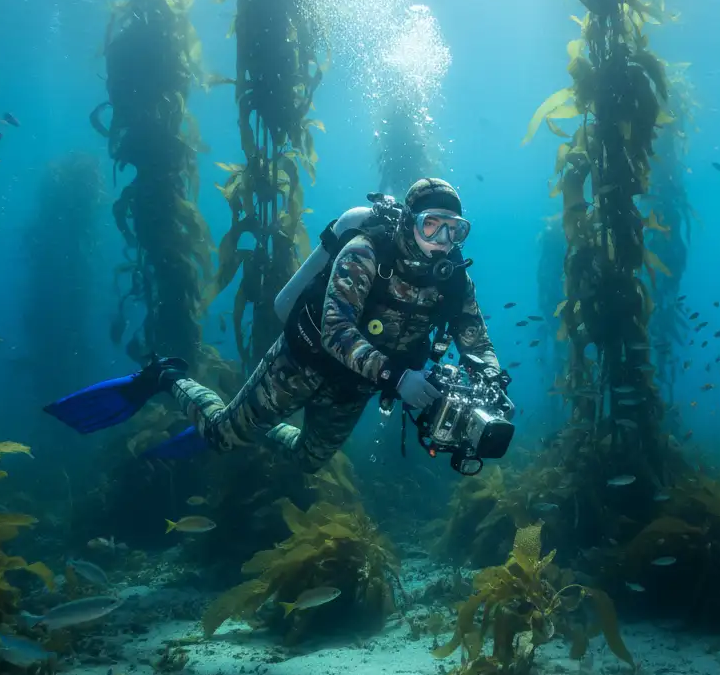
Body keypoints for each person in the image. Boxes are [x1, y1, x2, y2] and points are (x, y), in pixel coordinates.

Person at [44, 178, 504, 474]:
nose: (443, 242)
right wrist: (398, 377)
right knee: (222, 436)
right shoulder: (365, 252)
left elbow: (476, 341)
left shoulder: (455, 281)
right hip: (300, 364)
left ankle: (258, 423)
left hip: (353, 389)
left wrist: (492, 382)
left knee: (309, 460)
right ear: (409, 222)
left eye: (454, 230)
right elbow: (337, 330)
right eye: (432, 226)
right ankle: (167, 376)